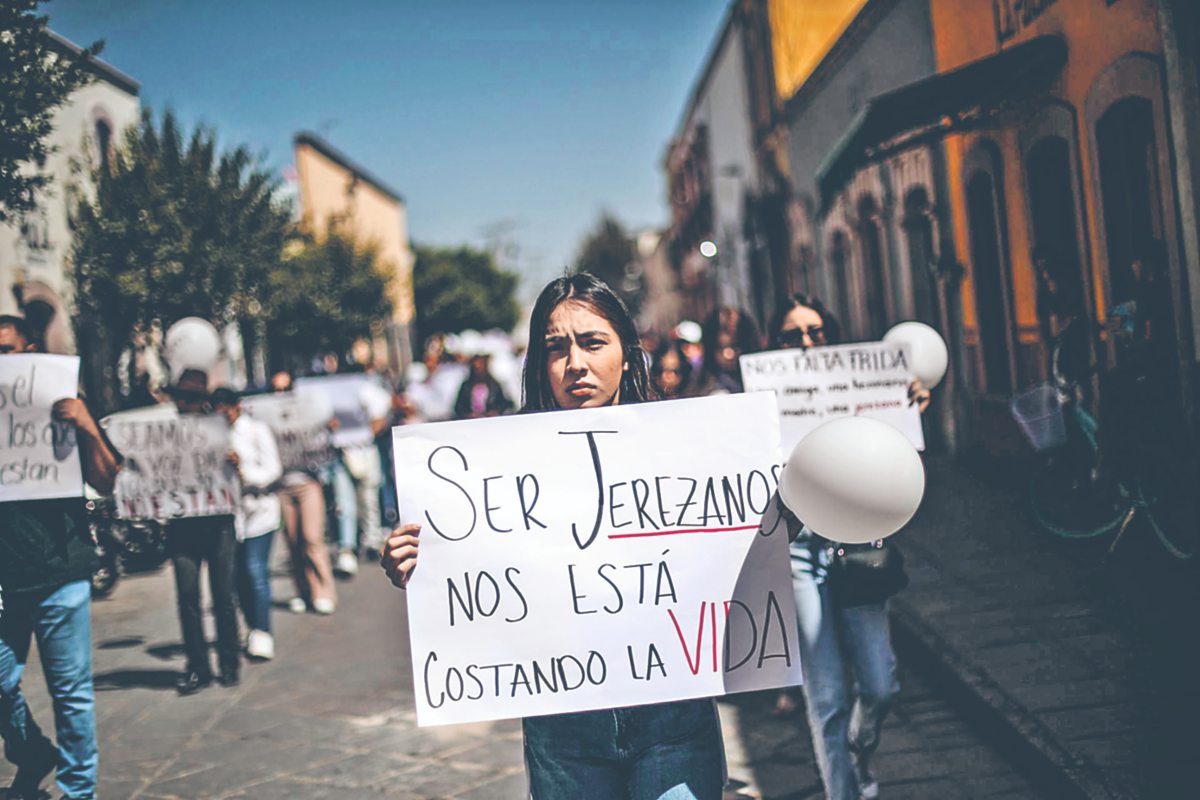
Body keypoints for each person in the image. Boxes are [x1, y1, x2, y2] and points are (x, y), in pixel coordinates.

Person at [380, 274, 726, 800]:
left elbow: (729, 541)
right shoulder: (492, 469)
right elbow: (470, 578)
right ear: (539, 365)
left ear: (628, 356)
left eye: (593, 342)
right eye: (556, 348)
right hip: (564, 731)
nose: (576, 364)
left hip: (672, 720)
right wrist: (416, 562)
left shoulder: (686, 447)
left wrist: (770, 528)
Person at [767, 294, 928, 800]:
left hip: (858, 545)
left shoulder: (858, 386)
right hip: (798, 550)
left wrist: (907, 400)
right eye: (793, 336)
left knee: (881, 686)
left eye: (816, 332)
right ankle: (844, 791)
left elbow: (896, 456)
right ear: (776, 347)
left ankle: (859, 748)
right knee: (828, 695)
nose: (807, 343)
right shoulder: (763, 399)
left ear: (832, 337)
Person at [0, 303, 120, 800]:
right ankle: (33, 753)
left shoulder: (65, 401)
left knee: (71, 696)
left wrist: (87, 425)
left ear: (28, 351)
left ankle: (78, 791)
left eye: (6, 351)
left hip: (61, 570)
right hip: (5, 579)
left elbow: (107, 479)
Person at [164, 369, 242, 693]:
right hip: (182, 524)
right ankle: (197, 666)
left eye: (192, 398)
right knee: (187, 597)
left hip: (217, 522)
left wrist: (234, 461)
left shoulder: (221, 429)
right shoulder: (164, 431)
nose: (185, 403)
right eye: (181, 397)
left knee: (223, 596)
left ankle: (229, 662)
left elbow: (241, 470)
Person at [211, 387, 283, 661]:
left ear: (236, 407)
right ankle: (252, 625)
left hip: (259, 512)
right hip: (231, 516)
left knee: (255, 570)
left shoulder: (256, 431)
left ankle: (263, 630)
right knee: (237, 577)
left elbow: (272, 470)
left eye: (225, 409)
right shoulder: (214, 436)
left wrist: (243, 470)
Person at [268, 370, 338, 612]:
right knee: (293, 540)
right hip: (281, 486)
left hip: (307, 483)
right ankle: (303, 591)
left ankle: (324, 591)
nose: (281, 396)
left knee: (312, 538)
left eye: (285, 390)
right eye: (276, 391)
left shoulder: (307, 415)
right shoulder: (268, 419)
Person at [690, 306, 761, 395]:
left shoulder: (761, 381)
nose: (729, 355)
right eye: (721, 348)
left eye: (736, 347)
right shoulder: (700, 386)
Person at [453, 352, 513, 419]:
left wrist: (495, 412)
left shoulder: (494, 385)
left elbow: (505, 404)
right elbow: (458, 407)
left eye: (480, 366)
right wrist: (468, 414)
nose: (478, 369)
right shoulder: (466, 386)